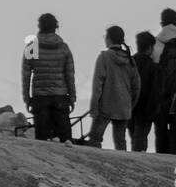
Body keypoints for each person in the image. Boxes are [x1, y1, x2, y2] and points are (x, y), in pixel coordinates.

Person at [20, 13, 75, 143]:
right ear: (55, 27)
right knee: (65, 140)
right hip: (60, 96)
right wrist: (72, 97)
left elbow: (26, 76)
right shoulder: (64, 47)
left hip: (40, 97)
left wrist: (27, 98)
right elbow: (70, 75)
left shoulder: (31, 47)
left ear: (39, 26)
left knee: (42, 140)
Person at [87, 26, 141, 150]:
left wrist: (94, 107)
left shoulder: (104, 57)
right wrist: (130, 104)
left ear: (109, 39)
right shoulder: (130, 60)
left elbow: (97, 85)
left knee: (95, 138)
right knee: (120, 141)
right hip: (124, 107)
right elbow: (136, 86)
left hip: (105, 106)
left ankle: (93, 164)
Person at [150, 8, 176, 155]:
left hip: (159, 97)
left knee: (160, 133)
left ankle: (163, 164)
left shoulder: (152, 46)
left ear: (161, 23)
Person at [130, 31, 157, 151]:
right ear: (151, 47)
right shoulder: (154, 68)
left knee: (134, 137)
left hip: (130, 107)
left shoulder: (129, 62)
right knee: (141, 138)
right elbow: (157, 92)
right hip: (146, 109)